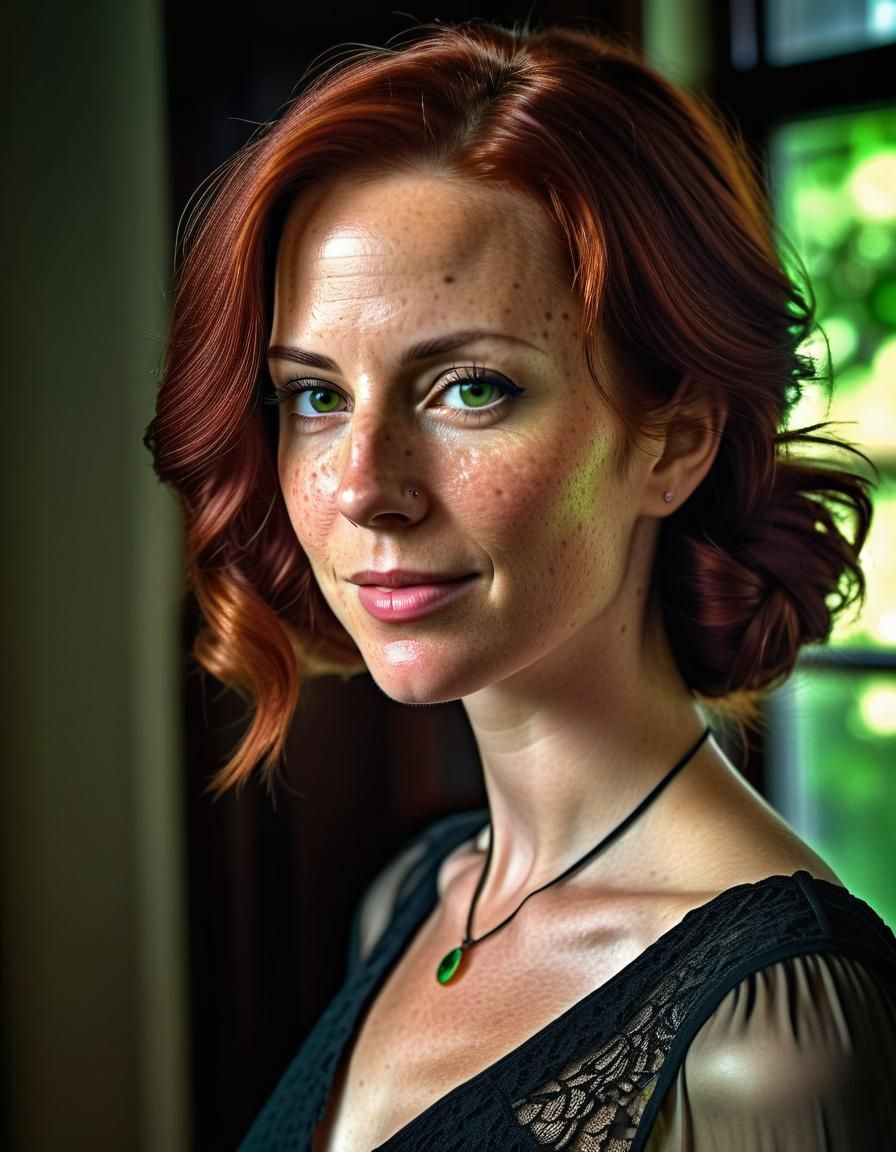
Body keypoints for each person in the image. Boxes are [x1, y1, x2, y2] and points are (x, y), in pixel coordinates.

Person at [145, 21, 896, 1152]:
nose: (363, 489)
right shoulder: (416, 899)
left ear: (674, 439)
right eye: (314, 397)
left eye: (468, 389)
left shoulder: (773, 1039)